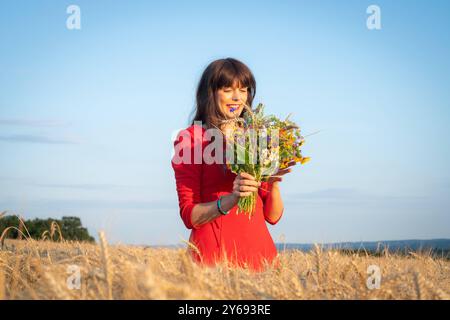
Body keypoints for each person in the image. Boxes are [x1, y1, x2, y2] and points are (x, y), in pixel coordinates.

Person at [171, 58, 296, 272]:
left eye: (244, 90)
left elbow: (272, 216)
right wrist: (230, 200)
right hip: (214, 258)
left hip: (260, 257)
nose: (237, 97)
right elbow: (189, 215)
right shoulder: (191, 139)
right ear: (210, 93)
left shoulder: (258, 137)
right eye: (228, 89)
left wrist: (273, 182)